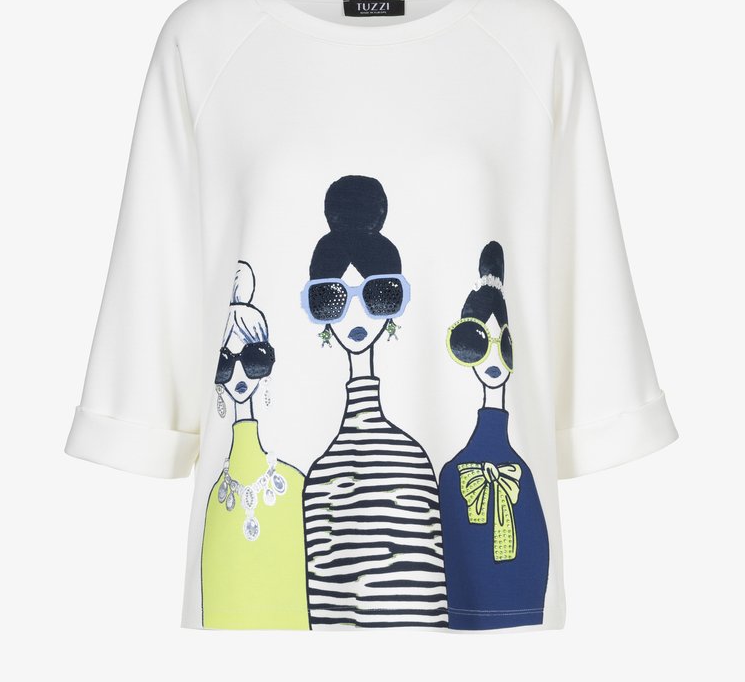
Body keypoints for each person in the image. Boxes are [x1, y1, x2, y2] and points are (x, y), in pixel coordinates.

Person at [300, 175, 448, 628]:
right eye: (332, 299)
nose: (356, 314)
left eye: (379, 295)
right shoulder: (322, 476)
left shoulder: (413, 460)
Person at [438, 241, 550, 629]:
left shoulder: (522, 473)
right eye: (477, 344)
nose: (492, 359)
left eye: (502, 344)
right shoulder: (452, 473)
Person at [201, 261, 309, 629]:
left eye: (254, 359)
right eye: (225, 363)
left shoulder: (295, 485)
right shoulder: (216, 496)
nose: (240, 374)